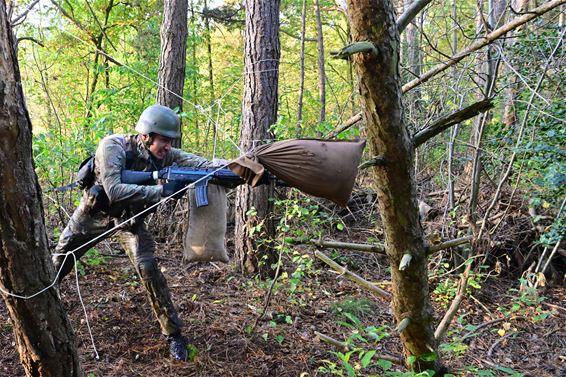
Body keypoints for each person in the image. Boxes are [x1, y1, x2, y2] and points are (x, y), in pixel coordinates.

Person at [52, 104, 209, 361]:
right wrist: (162, 191)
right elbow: (113, 189)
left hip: (130, 220)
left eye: (171, 142)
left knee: (148, 269)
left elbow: (203, 164)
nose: (168, 146)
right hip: (94, 215)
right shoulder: (113, 146)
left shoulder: (167, 155)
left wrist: (241, 167)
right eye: (164, 141)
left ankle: (173, 335)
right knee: (60, 260)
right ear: (146, 136)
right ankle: (34, 308)